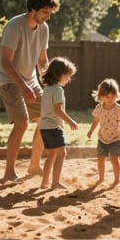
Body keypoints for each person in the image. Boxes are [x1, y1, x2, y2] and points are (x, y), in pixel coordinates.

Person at [0, 0, 60, 181]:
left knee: (46, 119)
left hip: (30, 80)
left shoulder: (43, 28)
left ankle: (34, 166)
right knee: (22, 123)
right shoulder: (14, 27)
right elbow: (6, 62)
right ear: (33, 9)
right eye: (45, 13)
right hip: (9, 80)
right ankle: (9, 172)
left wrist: (50, 83)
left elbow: (42, 61)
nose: (48, 17)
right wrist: (23, 87)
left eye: (50, 13)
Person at [40, 56, 78, 189]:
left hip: (44, 127)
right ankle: (55, 183)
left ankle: (45, 182)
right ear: (59, 74)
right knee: (62, 154)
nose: (69, 79)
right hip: (54, 127)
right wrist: (70, 121)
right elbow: (58, 110)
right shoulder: (57, 90)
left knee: (51, 155)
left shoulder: (47, 88)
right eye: (67, 76)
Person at [87, 78, 120, 186]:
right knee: (100, 158)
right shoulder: (99, 108)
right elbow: (96, 120)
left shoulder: (118, 108)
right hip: (102, 138)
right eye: (107, 97)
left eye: (113, 96)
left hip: (115, 139)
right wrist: (91, 131)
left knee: (114, 159)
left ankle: (117, 179)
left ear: (117, 95)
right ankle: (101, 178)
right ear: (101, 96)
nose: (110, 99)